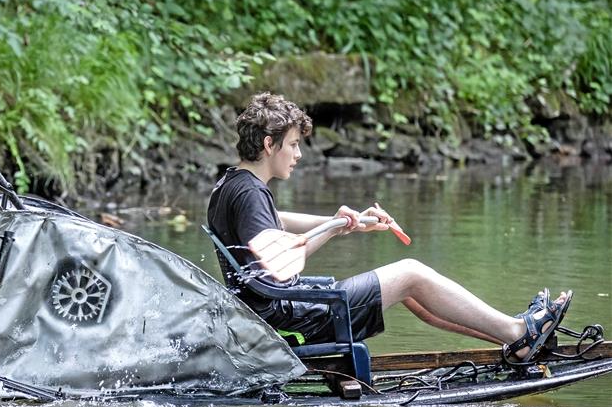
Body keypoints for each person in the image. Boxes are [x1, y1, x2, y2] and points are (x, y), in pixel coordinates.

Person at [207, 92, 570, 362]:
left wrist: (344, 221)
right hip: (289, 320)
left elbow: (277, 221)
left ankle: (513, 342)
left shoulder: (232, 185)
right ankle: (517, 332)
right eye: (293, 145)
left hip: (269, 314)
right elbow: (273, 271)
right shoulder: (251, 194)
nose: (299, 155)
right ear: (269, 145)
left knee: (409, 290)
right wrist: (334, 230)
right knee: (411, 273)